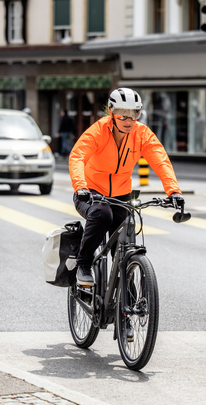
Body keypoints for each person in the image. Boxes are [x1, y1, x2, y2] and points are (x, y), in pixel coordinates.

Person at [69, 88, 184, 288]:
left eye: (134, 114)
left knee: (124, 242)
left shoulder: (142, 134)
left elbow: (160, 161)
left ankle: (126, 297)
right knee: (102, 215)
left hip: (121, 195)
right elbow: (78, 156)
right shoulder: (98, 131)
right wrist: (81, 187)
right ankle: (84, 264)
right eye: (123, 114)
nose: (128, 120)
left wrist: (173, 191)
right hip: (91, 193)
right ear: (111, 112)